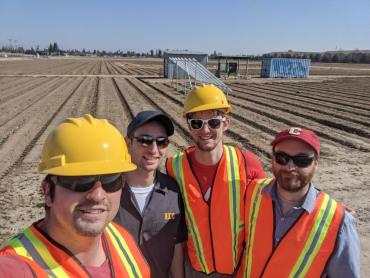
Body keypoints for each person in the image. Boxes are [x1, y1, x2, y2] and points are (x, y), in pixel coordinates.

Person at [0, 114, 150, 277]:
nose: (98, 195)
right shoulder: (13, 269)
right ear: (48, 192)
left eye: (111, 180)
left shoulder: (122, 240)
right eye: (81, 181)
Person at [166, 84, 266, 277]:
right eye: (197, 123)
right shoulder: (174, 167)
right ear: (188, 125)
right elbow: (170, 217)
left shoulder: (247, 164)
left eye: (213, 123)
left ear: (226, 124)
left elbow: (264, 219)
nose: (205, 131)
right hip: (195, 269)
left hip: (237, 271)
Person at [237, 127, 360, 277]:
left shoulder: (339, 221)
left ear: (316, 163)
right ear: (272, 159)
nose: (290, 167)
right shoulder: (251, 192)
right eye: (282, 158)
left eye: (302, 161)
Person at [114, 110, 187, 278]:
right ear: (128, 143)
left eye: (161, 142)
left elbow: (176, 245)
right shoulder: (108, 191)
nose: (154, 150)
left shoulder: (173, 191)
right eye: (144, 141)